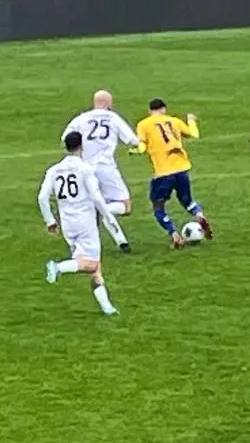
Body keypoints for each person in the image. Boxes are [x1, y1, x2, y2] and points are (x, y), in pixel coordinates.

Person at [38, 131, 120, 316]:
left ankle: (107, 307)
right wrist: (108, 216)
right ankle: (58, 267)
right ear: (81, 147)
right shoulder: (85, 169)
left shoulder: (54, 170)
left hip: (67, 223)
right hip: (85, 222)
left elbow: (42, 197)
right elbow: (96, 197)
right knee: (91, 264)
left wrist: (50, 221)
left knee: (95, 267)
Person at [62, 90, 139, 252]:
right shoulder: (113, 118)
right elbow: (132, 140)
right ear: (109, 103)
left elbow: (66, 137)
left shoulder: (82, 118)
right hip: (105, 167)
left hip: (84, 168)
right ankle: (101, 209)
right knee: (125, 206)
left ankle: (121, 242)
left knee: (94, 201)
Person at [134, 98, 213, 248]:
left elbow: (141, 145)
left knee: (158, 207)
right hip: (182, 169)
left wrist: (135, 150)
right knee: (187, 201)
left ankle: (174, 234)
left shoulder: (143, 124)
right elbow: (193, 134)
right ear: (164, 109)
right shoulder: (174, 121)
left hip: (163, 173)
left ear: (150, 111)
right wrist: (191, 120)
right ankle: (199, 215)